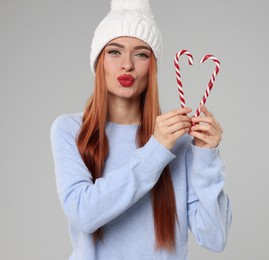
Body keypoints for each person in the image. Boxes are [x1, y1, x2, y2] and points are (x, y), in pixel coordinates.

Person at [50, 0, 232, 259]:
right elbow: (84, 214)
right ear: (99, 61)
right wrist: (155, 150)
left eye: (141, 54)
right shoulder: (70, 130)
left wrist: (207, 157)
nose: (127, 65)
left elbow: (215, 238)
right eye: (114, 52)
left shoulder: (177, 141)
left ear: (153, 67)